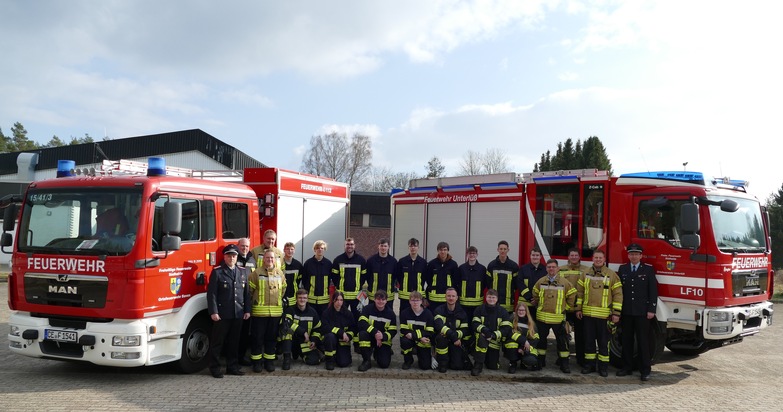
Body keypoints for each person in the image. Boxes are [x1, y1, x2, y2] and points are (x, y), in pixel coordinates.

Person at [576, 249, 622, 377]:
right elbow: (579, 293)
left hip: (604, 316)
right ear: (592, 259)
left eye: (600, 258)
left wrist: (616, 313)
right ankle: (589, 366)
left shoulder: (611, 275)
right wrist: (578, 309)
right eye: (596, 257)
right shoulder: (585, 273)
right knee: (589, 342)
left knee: (603, 344)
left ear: (604, 259)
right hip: (588, 315)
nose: (598, 260)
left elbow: (618, 295)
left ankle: (603, 368)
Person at [207, 244, 251, 378]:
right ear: (224, 257)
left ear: (237, 257)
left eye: (234, 256)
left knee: (234, 342)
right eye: (229, 256)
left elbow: (246, 293)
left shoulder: (243, 272)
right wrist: (214, 311)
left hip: (238, 313)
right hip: (222, 314)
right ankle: (214, 368)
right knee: (218, 342)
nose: (232, 258)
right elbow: (212, 294)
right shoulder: (217, 272)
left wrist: (247, 310)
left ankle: (232, 367)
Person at [617, 243, 658, 381]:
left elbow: (653, 291)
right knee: (626, 340)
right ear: (628, 255)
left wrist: (651, 309)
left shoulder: (648, 269)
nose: (633, 256)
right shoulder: (622, 269)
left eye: (636, 254)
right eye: (631, 254)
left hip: (642, 313)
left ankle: (645, 370)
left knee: (643, 342)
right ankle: (626, 367)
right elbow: (619, 291)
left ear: (641, 256)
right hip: (627, 312)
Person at [531, 258, 576, 373]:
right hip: (542, 318)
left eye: (553, 267)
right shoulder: (541, 281)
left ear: (558, 268)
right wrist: (538, 304)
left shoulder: (565, 282)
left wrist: (566, 308)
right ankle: (540, 362)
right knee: (541, 342)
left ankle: (564, 364)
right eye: (549, 267)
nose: (551, 269)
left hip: (558, 319)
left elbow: (572, 295)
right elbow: (535, 293)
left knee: (562, 342)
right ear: (546, 268)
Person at [248, 249, 287, 373]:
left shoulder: (280, 273)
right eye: (267, 258)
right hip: (259, 313)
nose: (269, 260)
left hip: (275, 313)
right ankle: (257, 363)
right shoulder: (256, 273)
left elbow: (283, 289)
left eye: (272, 258)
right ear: (263, 259)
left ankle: (269, 362)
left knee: (271, 339)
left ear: (275, 260)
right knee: (257, 338)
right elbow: (249, 291)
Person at [559, 247, 589, 367]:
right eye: (572, 255)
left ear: (579, 257)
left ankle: (580, 358)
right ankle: (562, 358)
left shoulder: (586, 270)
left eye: (576, 255)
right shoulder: (560, 269)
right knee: (563, 333)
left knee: (581, 335)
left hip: (579, 307)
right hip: (565, 307)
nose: (574, 257)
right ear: (568, 257)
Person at [470, 289, 511, 376]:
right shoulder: (479, 309)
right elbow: (475, 323)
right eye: (489, 297)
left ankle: (485, 359)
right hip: (482, 337)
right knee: (481, 340)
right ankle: (478, 365)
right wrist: (485, 331)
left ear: (497, 299)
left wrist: (493, 335)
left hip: (494, 341)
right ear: (486, 298)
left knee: (493, 366)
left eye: (493, 297)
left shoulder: (503, 311)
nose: (491, 299)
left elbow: (506, 328)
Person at [280, 289, 322, 370]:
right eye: (300, 298)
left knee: (314, 360)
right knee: (286, 332)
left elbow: (317, 329)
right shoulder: (290, 310)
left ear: (307, 299)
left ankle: (302, 354)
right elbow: (287, 323)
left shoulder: (313, 312)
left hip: (304, 342)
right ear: (296, 299)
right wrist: (303, 332)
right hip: (292, 341)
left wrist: (314, 341)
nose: (302, 300)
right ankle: (287, 359)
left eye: (304, 298)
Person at [433, 287, 472, 373]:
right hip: (445, 339)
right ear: (445, 297)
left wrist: (455, 336)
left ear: (457, 298)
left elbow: (465, 330)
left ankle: (451, 359)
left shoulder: (462, 312)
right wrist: (454, 337)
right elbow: (439, 326)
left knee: (457, 366)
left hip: (456, 341)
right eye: (449, 296)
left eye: (453, 296)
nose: (451, 298)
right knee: (441, 338)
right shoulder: (439, 310)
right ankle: (442, 364)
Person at [357, 290, 397, 371]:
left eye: (383, 299)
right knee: (362, 334)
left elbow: (393, 331)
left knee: (384, 364)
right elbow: (362, 323)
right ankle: (366, 361)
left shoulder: (391, 314)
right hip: (370, 337)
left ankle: (377, 353)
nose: (380, 301)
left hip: (383, 340)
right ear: (374, 299)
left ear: (386, 301)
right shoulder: (367, 309)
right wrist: (375, 333)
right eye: (378, 299)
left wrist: (383, 336)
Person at [320, 291, 356, 370]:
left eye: (341, 300)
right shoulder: (327, 313)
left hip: (343, 341)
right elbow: (325, 327)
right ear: (333, 300)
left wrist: (349, 336)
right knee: (329, 336)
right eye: (337, 300)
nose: (339, 302)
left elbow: (353, 328)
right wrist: (340, 332)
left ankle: (337, 356)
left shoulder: (348, 314)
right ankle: (329, 360)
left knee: (344, 363)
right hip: (331, 340)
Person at [331, 237, 367, 316]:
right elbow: (334, 276)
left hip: (356, 296)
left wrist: (358, 285)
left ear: (354, 246)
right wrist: (339, 286)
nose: (349, 246)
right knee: (341, 316)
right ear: (344, 246)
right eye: (347, 244)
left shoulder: (361, 260)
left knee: (357, 316)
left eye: (351, 244)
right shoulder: (338, 260)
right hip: (342, 296)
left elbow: (364, 276)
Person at [399, 291, 435, 370]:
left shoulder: (428, 314)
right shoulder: (404, 313)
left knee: (425, 366)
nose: (415, 302)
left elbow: (430, 332)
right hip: (409, 339)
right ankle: (408, 361)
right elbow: (404, 330)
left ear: (421, 301)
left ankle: (421, 356)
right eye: (413, 300)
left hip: (423, 341)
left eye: (417, 300)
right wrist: (419, 337)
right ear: (409, 301)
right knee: (404, 341)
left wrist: (415, 336)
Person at [504, 302, 540, 374]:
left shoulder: (531, 322)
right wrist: (523, 341)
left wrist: (523, 348)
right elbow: (509, 333)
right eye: (519, 310)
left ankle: (524, 362)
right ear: (516, 311)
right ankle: (512, 364)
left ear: (526, 311)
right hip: (515, 345)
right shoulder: (511, 319)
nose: (521, 312)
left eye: (523, 310)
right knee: (511, 344)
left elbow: (536, 338)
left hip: (526, 346)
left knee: (530, 360)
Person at [396, 238, 428, 312]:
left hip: (418, 297)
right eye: (411, 246)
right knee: (404, 315)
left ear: (418, 247)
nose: (413, 248)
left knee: (418, 315)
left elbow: (425, 278)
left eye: (415, 246)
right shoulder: (402, 261)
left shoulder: (423, 262)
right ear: (408, 247)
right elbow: (398, 276)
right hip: (404, 297)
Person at [426, 241, 459, 312]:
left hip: (447, 299)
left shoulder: (453, 264)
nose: (443, 252)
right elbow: (428, 279)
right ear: (438, 251)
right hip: (433, 299)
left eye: (445, 250)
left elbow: (456, 280)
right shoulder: (432, 264)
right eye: (441, 250)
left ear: (448, 251)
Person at [486, 241, 519, 312]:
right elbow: (488, 283)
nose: (503, 251)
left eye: (504, 249)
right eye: (501, 249)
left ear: (508, 250)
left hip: (508, 303)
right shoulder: (491, 265)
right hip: (494, 302)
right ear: (497, 249)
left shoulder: (513, 266)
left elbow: (516, 284)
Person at [302, 240, 332, 315]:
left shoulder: (328, 264)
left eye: (322, 248)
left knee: (323, 319)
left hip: (324, 301)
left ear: (324, 250)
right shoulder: (308, 263)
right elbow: (304, 280)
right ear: (314, 249)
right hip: (311, 300)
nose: (320, 250)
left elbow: (331, 279)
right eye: (318, 248)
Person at [458, 246, 487, 322]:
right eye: (470, 253)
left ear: (477, 254)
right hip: (463, 304)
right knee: (464, 323)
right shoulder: (461, 268)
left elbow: (485, 284)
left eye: (473, 253)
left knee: (476, 323)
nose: (472, 255)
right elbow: (457, 283)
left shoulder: (482, 269)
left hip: (477, 304)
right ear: (467, 254)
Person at [365, 238, 397, 304]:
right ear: (378, 246)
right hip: (373, 296)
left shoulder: (393, 262)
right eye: (381, 246)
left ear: (388, 247)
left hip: (388, 297)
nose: (383, 248)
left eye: (385, 246)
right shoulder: (371, 261)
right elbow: (367, 276)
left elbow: (395, 277)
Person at [519, 247, 546, 317]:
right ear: (530, 256)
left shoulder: (545, 270)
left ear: (540, 256)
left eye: (537, 255)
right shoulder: (523, 269)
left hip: (539, 305)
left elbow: (546, 287)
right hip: (524, 305)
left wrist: (537, 299)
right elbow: (520, 284)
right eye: (533, 255)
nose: (535, 257)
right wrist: (530, 298)